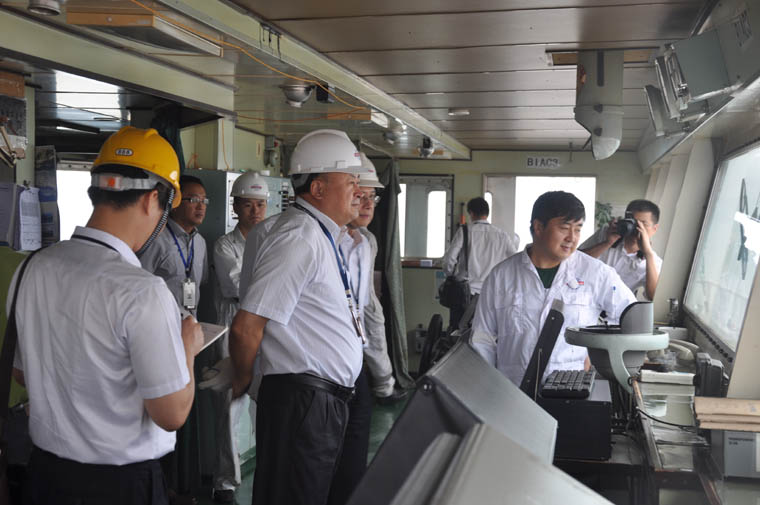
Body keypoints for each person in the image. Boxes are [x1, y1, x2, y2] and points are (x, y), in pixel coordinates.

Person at [8, 126, 204, 505]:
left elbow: (22, 372)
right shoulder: (142, 291)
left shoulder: (32, 267)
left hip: (44, 477)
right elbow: (171, 414)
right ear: (153, 200)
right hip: (120, 486)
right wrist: (187, 348)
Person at [229, 129, 370, 505]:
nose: (359, 191)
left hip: (321, 402)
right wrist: (242, 379)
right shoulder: (299, 237)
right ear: (318, 188)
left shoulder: (322, 235)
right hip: (303, 404)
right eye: (350, 181)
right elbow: (246, 326)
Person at [471, 191, 636, 386]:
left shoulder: (596, 273)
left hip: (570, 389)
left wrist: (597, 351)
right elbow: (482, 338)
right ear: (538, 227)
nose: (572, 238)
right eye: (564, 228)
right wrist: (490, 386)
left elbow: (631, 318)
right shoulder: (501, 276)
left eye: (578, 229)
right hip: (512, 389)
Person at [327, 154, 403, 505]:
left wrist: (382, 375)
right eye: (361, 195)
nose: (369, 204)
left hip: (353, 358)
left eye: (374, 197)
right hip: (321, 365)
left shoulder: (366, 241)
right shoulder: (323, 239)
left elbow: (369, 310)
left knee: (354, 446)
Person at [209, 171, 268, 504]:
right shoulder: (224, 246)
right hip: (232, 331)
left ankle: (267, 475)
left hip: (265, 333)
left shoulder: (270, 244)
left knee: (266, 409)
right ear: (235, 207)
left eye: (260, 205)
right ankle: (225, 484)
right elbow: (237, 286)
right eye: (248, 205)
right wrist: (269, 285)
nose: (255, 212)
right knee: (230, 410)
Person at [442, 196, 519, 329]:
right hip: (492, 294)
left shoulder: (465, 231)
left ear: (471, 213)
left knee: (458, 331)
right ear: (487, 213)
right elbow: (515, 260)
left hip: (465, 294)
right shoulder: (502, 235)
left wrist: (452, 275)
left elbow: (449, 260)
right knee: (487, 332)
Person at [139, 175, 209, 317]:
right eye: (194, 200)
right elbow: (139, 285)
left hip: (190, 322)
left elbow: (202, 280)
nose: (201, 206)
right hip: (159, 322)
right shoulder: (155, 239)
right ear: (175, 203)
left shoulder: (200, 242)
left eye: (204, 200)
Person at [580, 199, 662, 300]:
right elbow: (575, 260)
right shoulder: (606, 234)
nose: (636, 229)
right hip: (584, 296)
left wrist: (648, 255)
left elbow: (653, 296)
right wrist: (607, 243)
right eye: (633, 223)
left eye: (643, 224)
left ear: (654, 229)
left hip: (614, 308)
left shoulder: (653, 262)